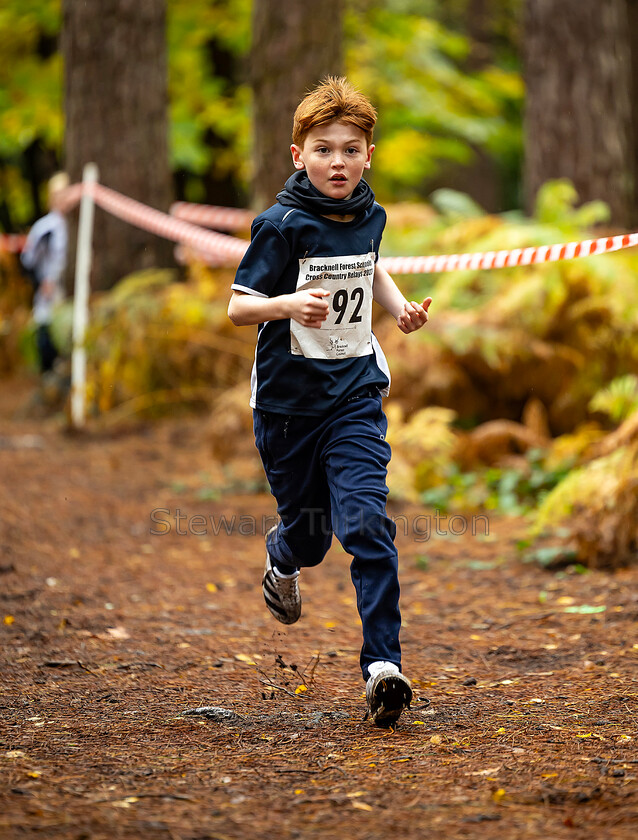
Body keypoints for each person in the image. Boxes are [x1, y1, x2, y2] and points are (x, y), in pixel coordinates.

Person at [228, 77, 432, 727]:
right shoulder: (280, 226)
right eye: (323, 149)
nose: (337, 162)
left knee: (367, 522)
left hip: (354, 395)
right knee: (312, 539)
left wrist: (398, 309)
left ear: (369, 155)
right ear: (298, 156)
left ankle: (383, 666)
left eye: (350, 149)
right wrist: (286, 305)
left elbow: (370, 262)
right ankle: (283, 554)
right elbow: (237, 307)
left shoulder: (370, 213)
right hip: (288, 407)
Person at [20, 172, 70, 374]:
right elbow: (28, 261)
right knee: (47, 326)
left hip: (69, 288)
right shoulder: (45, 228)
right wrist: (42, 282)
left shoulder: (74, 224)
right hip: (49, 290)